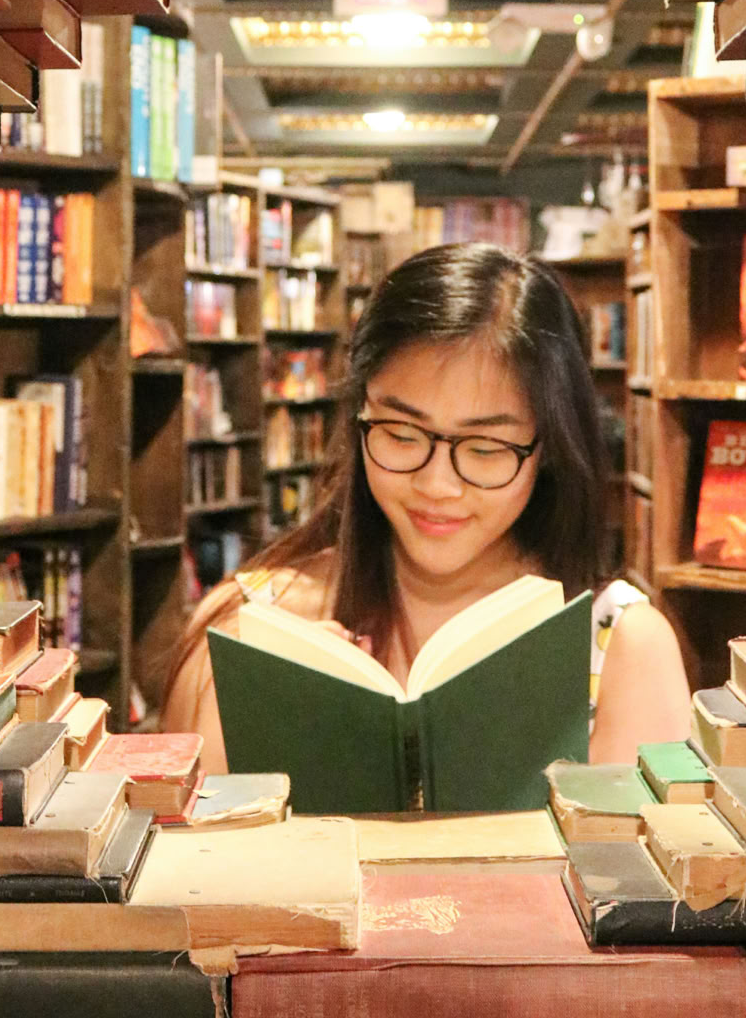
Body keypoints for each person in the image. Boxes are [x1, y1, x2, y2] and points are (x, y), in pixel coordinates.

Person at [162, 241, 693, 768]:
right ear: (358, 418)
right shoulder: (249, 623)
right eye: (401, 434)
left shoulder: (623, 646)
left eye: (486, 449)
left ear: (550, 448)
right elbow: (195, 847)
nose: (438, 485)